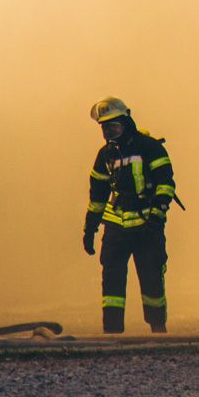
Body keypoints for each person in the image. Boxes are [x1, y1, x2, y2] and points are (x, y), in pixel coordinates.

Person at [82, 96, 177, 333]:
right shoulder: (105, 156)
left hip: (147, 228)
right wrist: (90, 228)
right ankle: (112, 333)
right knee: (112, 285)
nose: (108, 133)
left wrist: (156, 217)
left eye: (112, 126)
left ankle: (158, 329)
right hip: (116, 229)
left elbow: (165, 185)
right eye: (104, 128)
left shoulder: (150, 147)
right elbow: (97, 196)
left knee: (152, 281)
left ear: (126, 122)